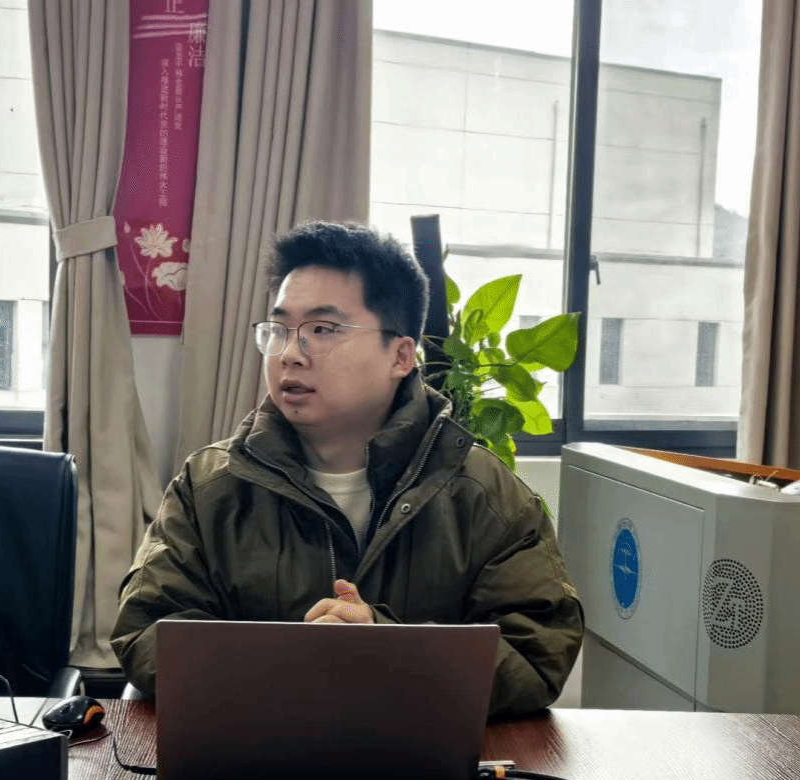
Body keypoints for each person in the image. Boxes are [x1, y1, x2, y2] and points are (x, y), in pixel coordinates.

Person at [111, 221, 584, 716]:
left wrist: (384, 648)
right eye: (279, 330)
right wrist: (297, 665)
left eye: (322, 330)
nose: (289, 354)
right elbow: (147, 631)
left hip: (420, 754)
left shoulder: (485, 495)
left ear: (401, 355)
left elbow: (536, 658)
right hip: (254, 748)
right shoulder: (209, 487)